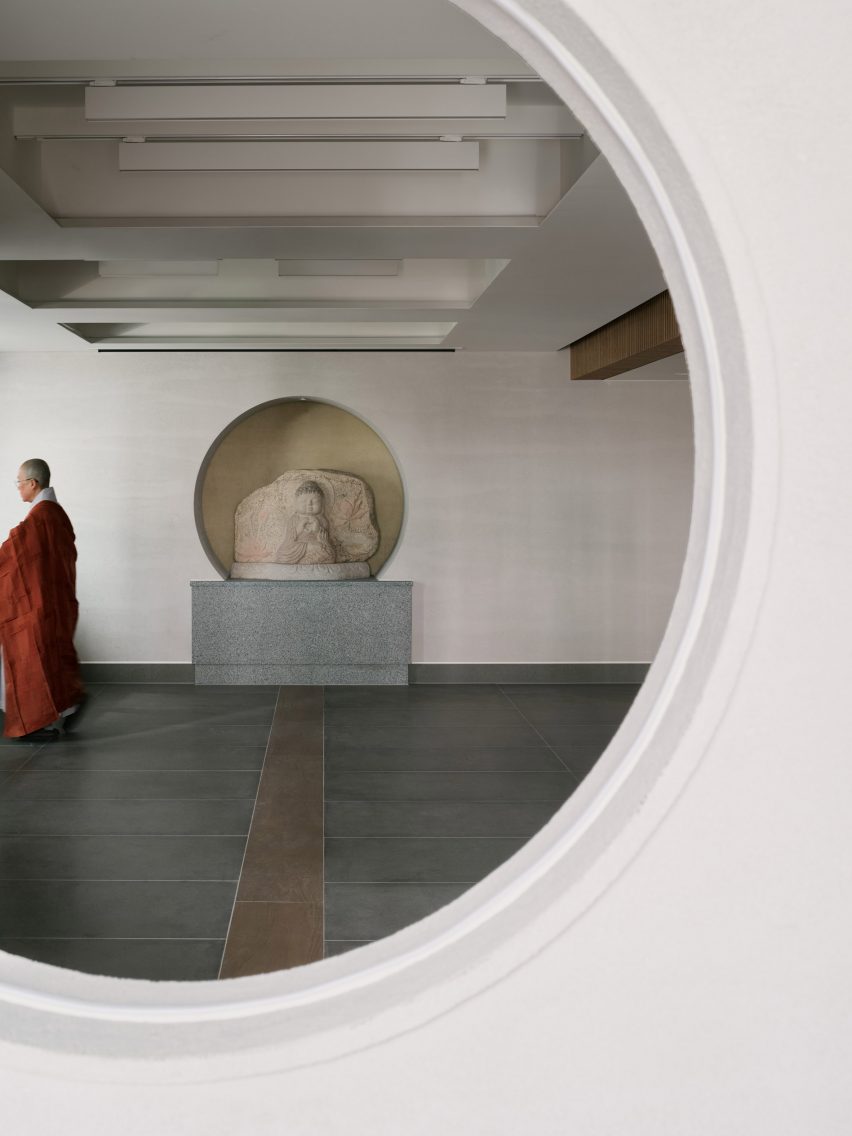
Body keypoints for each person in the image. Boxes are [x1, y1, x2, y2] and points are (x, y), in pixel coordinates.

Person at [0, 459, 86, 741]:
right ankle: (62, 710)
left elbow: (15, 555)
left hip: (38, 603)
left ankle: (36, 722)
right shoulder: (56, 514)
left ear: (33, 484)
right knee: (53, 655)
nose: (18, 488)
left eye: (19, 483)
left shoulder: (40, 517)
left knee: (30, 655)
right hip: (56, 601)